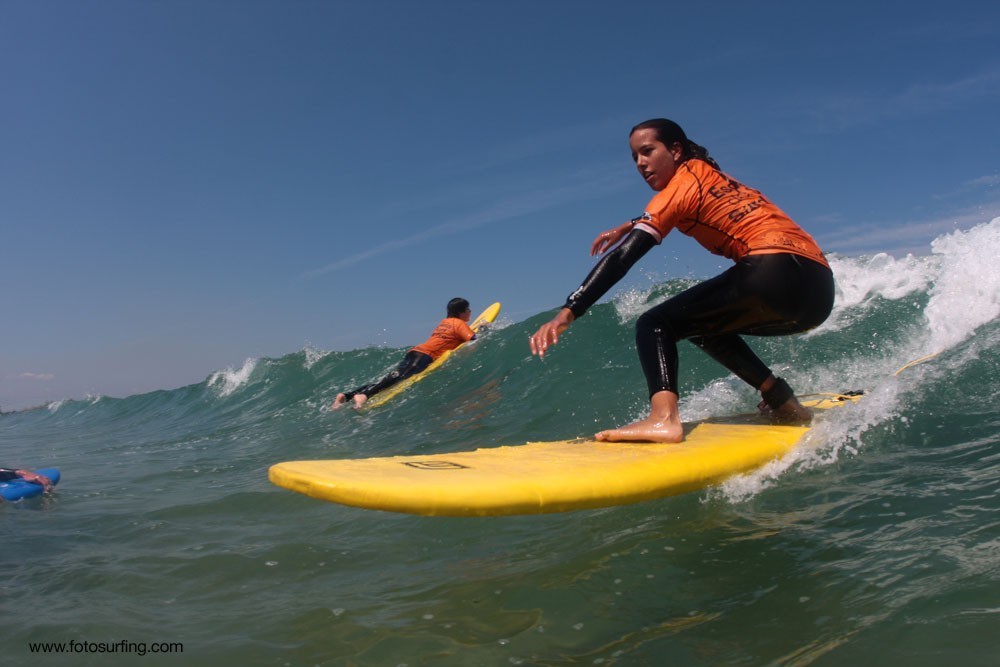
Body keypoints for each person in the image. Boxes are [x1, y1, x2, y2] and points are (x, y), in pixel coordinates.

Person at [529, 118, 834, 443]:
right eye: (635, 157)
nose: (641, 164)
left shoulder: (679, 188)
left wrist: (569, 311)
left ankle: (664, 419)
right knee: (701, 324)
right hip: (817, 288)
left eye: (647, 151)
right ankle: (780, 399)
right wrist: (632, 223)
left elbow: (622, 259)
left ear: (675, 150)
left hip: (770, 271)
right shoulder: (709, 173)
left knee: (654, 323)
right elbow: (689, 202)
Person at [333, 298, 478, 409]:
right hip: (427, 356)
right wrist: (483, 328)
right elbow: (473, 338)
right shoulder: (460, 324)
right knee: (398, 378)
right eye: (468, 309)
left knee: (392, 378)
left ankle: (347, 395)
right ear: (461, 312)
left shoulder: (444, 322)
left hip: (416, 352)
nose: (470, 311)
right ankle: (364, 395)